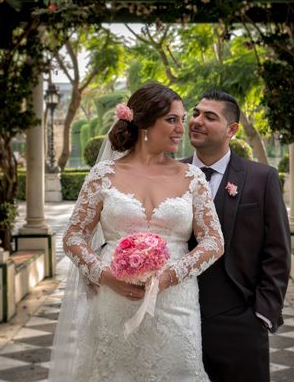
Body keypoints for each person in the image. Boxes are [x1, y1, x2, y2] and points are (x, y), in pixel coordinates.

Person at [49, 82, 224, 381]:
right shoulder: (103, 175)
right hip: (114, 298)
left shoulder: (192, 177)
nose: (181, 128)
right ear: (143, 122)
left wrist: (171, 274)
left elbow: (214, 241)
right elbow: (74, 236)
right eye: (171, 119)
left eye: (181, 119)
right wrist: (104, 275)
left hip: (175, 302)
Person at [185, 90, 291, 382]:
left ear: (231, 129)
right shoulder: (171, 174)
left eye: (210, 116)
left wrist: (262, 314)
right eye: (195, 113)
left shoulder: (261, 179)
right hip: (178, 318)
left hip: (240, 320)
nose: (197, 121)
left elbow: (278, 251)